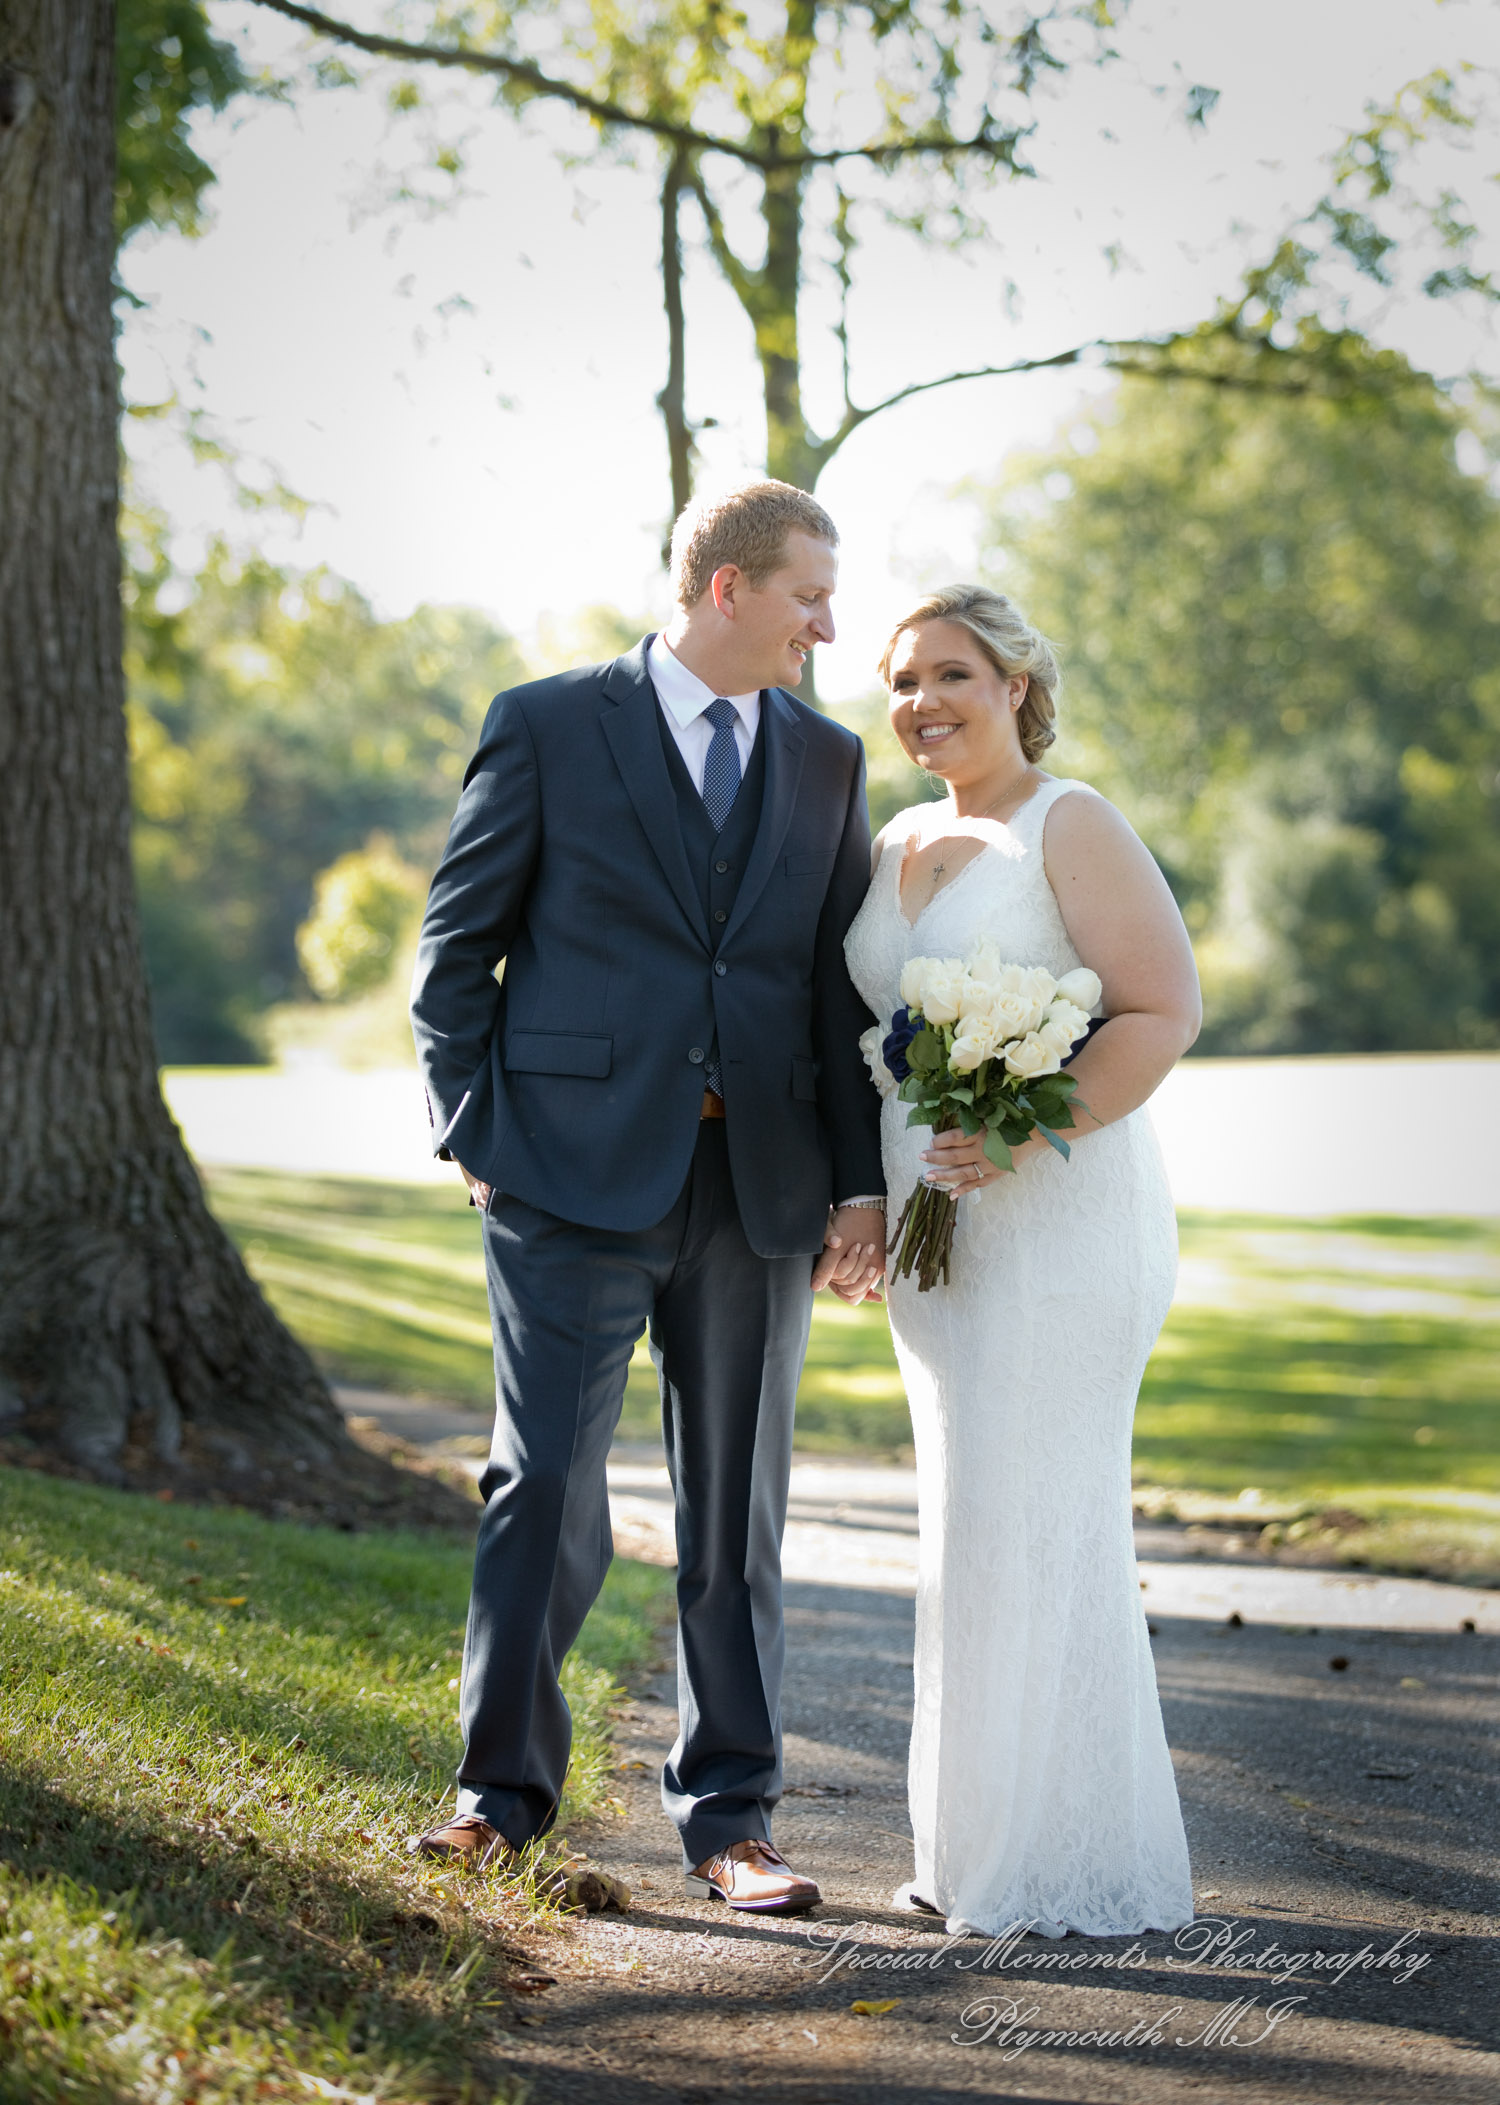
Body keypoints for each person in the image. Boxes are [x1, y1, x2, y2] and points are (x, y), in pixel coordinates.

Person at [408, 482, 886, 1914]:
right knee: (540, 1485)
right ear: (725, 587)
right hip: (562, 1177)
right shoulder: (550, 721)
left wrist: (858, 1182)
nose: (830, 621)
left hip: (758, 1191)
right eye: (810, 591)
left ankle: (733, 1818)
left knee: (735, 1512)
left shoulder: (827, 756)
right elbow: (454, 956)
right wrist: (475, 1133)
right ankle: (498, 1798)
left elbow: (828, 989)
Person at [843, 584, 1200, 1937]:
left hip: (1060, 1223)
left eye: (952, 673)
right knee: (966, 1523)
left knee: (1032, 1518)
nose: (922, 700)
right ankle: (970, 1839)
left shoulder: (1072, 822)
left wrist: (1025, 1128)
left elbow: (1164, 1006)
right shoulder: (891, 840)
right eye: (902, 679)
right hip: (939, 1239)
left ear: (1015, 683)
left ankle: (1056, 1860)